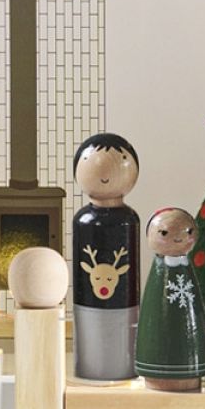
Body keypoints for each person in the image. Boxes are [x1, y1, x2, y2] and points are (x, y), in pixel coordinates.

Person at [72, 133, 140, 380]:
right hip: (86, 309)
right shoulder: (84, 221)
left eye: (120, 160)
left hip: (126, 308)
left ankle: (122, 370)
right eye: (91, 161)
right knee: (90, 353)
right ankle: (90, 371)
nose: (104, 172)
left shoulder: (128, 221)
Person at [135, 208, 205, 392]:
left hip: (192, 378)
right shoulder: (157, 277)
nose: (178, 238)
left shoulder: (186, 269)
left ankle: (189, 369)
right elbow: (152, 314)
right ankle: (156, 369)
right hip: (154, 374)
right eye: (164, 233)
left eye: (188, 232)